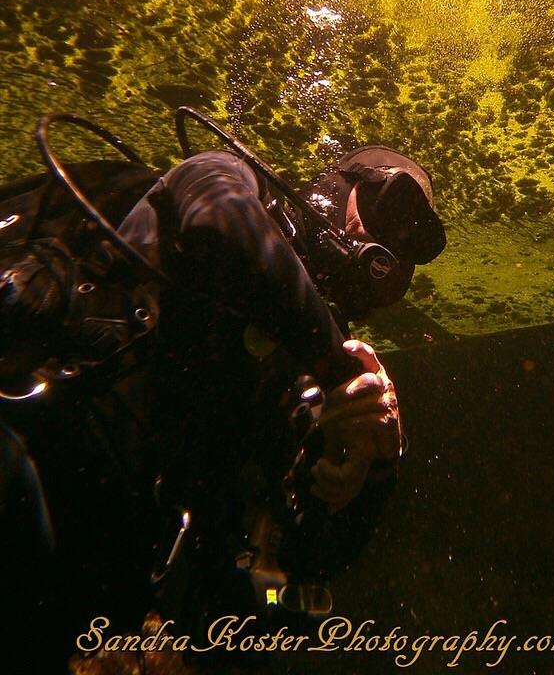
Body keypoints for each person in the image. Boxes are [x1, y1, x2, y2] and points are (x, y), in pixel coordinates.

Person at [0, 114, 446, 670]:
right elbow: (221, 222)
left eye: (411, 240)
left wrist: (376, 459)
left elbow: (310, 559)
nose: (389, 242)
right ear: (334, 189)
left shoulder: (298, 370)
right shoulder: (227, 176)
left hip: (78, 590)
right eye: (389, 208)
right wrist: (336, 370)